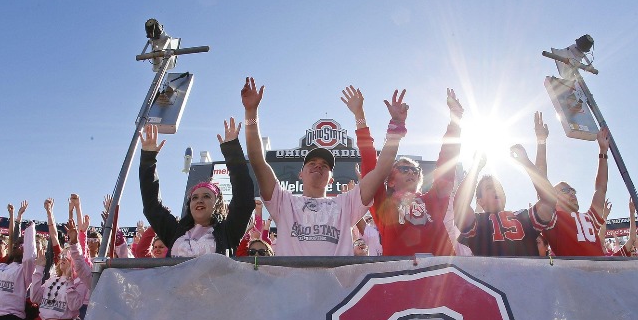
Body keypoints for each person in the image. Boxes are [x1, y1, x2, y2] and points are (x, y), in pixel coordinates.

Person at [241, 77, 406, 256]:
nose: (318, 166)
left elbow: (381, 170)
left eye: (325, 165)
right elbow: (257, 160)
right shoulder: (284, 202)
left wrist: (395, 127)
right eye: (311, 163)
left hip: (336, 284)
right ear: (300, 174)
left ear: (331, 178)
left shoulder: (346, 204)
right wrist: (251, 112)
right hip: (291, 283)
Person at [347, 86, 464, 256]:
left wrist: (456, 120)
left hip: (441, 278)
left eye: (415, 170)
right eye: (404, 169)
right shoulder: (382, 205)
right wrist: (360, 115)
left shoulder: (434, 201)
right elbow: (369, 163)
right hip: (400, 278)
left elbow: (447, 160)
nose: (411, 172)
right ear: (391, 181)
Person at [140, 119, 255, 257]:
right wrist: (148, 159)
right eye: (194, 198)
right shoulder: (175, 232)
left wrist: (232, 150)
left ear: (217, 203)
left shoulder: (228, 231)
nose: (199, 200)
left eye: (206, 196)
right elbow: (152, 207)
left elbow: (244, 199)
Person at [453, 145, 557, 257]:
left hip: (529, 274)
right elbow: (459, 205)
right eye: (489, 187)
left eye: (498, 187)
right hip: (488, 274)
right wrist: (475, 168)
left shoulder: (523, 217)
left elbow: (549, 200)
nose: (496, 190)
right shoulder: (477, 222)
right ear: (480, 201)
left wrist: (526, 162)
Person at [538, 127, 611, 256]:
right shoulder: (553, 220)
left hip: (601, 275)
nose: (572, 193)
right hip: (574, 275)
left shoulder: (589, 219)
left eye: (573, 190)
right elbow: (540, 180)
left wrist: (603, 151)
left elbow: (601, 189)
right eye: (565, 190)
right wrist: (541, 141)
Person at [30, 219, 90, 320]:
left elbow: (75, 305)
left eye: (67, 256)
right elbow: (34, 298)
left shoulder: (79, 282)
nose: (62, 258)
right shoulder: (51, 279)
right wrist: (39, 269)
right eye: (62, 256)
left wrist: (69, 279)